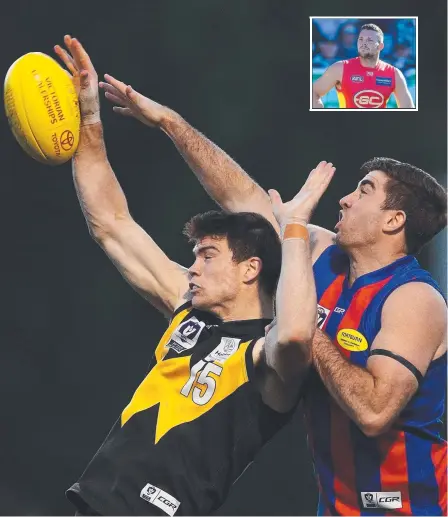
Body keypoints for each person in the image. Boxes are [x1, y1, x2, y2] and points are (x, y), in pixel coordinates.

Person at [99, 72, 447, 516]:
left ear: (393, 222)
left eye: (363, 192)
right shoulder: (321, 256)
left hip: (411, 509)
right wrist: (169, 122)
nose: (343, 200)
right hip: (337, 508)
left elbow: (375, 411)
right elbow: (240, 194)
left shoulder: (414, 299)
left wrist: (304, 324)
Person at [54, 35, 335, 516]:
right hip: (91, 502)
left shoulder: (266, 358)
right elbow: (112, 225)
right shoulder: (189, 310)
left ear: (251, 269)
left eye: (207, 256)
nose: (193, 267)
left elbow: (293, 336)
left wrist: (294, 226)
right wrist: (88, 120)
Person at [312, 23, 415, 109]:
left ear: (380, 46)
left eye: (369, 40)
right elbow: (313, 93)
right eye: (361, 39)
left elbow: (408, 108)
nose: (363, 43)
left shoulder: (394, 74)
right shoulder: (340, 68)